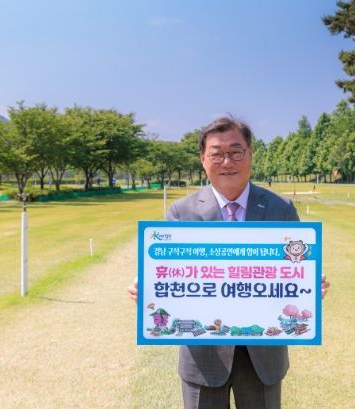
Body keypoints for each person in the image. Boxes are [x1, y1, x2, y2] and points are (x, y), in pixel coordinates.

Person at [127, 116, 330, 409]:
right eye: (217, 154)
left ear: (250, 154)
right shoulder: (181, 212)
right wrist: (149, 288)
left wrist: (309, 287)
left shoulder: (281, 209)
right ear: (203, 159)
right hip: (203, 357)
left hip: (263, 358)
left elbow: (296, 272)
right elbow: (168, 275)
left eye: (236, 152)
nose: (227, 162)